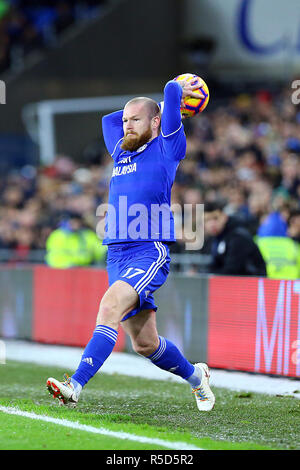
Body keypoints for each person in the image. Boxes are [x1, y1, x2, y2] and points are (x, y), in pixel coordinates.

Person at [46, 77, 215, 412]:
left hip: (147, 248)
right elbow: (107, 120)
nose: (125, 124)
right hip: (116, 253)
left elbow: (169, 87)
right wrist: (137, 115)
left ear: (156, 122)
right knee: (145, 343)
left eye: (135, 119)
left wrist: (171, 104)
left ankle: (74, 385)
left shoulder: (168, 147)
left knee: (109, 307)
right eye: (126, 120)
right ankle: (197, 378)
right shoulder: (120, 150)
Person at [204, 201, 267, 276]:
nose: (211, 224)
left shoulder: (238, 237)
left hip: (252, 284)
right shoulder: (217, 238)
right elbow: (216, 265)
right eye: (207, 220)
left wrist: (207, 274)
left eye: (215, 218)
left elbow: (232, 271)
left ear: (224, 217)